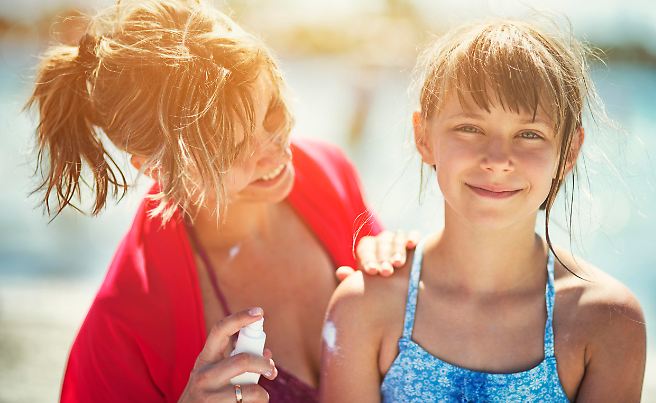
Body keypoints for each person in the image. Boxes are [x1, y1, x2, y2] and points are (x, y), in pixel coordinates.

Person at [25, 1, 415, 402]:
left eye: (272, 112)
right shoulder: (123, 328)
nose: (278, 155)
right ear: (155, 169)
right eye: (232, 150)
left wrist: (402, 262)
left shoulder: (326, 172)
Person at [320, 19, 647, 402]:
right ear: (423, 136)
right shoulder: (366, 306)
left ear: (569, 152)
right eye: (470, 128)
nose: (497, 160)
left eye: (529, 134)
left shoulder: (605, 320)